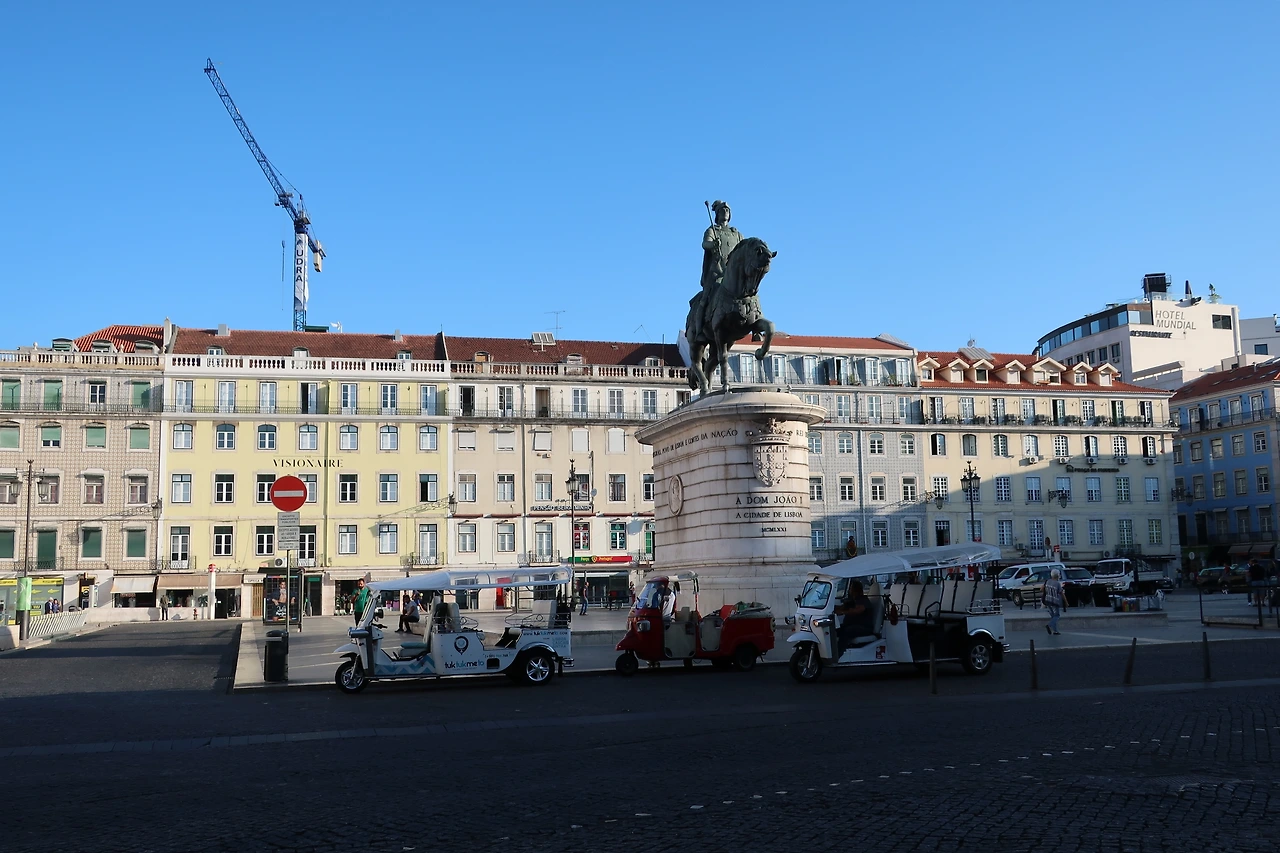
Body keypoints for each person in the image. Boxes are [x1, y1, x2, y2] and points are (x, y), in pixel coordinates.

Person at [835, 581, 873, 651]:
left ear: (856, 590)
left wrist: (843, 612)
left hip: (864, 628)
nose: (850, 590)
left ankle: (839, 652)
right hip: (851, 625)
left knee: (847, 631)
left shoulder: (863, 600)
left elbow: (858, 610)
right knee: (835, 630)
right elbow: (841, 607)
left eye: (851, 588)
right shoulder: (852, 601)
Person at [1043, 569, 1066, 635]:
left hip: (1048, 601)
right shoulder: (1057, 584)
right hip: (1054, 602)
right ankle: (1049, 625)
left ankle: (1055, 631)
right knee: (1057, 616)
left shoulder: (1048, 581)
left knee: (1053, 616)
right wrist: (1066, 602)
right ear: (1057, 575)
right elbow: (1062, 593)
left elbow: (1042, 588)